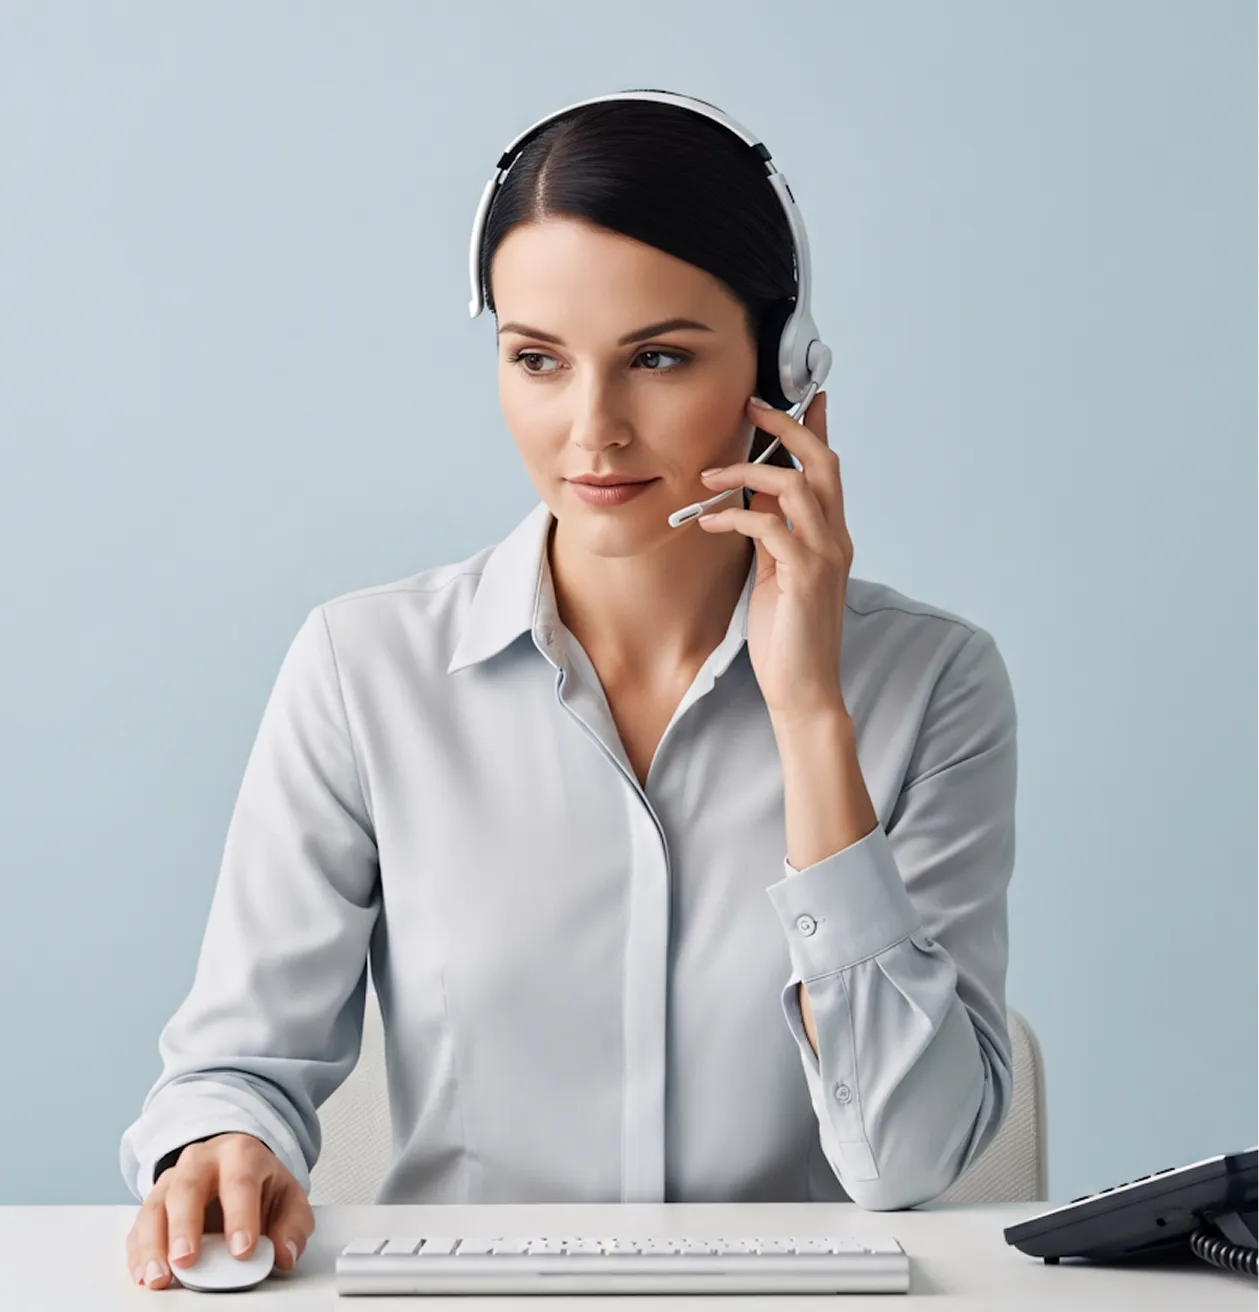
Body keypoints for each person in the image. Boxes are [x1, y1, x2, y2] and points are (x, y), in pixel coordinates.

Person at [120, 91, 1018, 1292]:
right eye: (537, 359)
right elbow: (236, 1063)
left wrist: (810, 716)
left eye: (657, 358)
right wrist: (224, 1141)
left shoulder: (932, 685)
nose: (590, 431)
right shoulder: (362, 668)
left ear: (785, 367)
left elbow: (909, 1159)